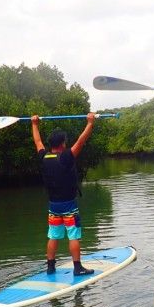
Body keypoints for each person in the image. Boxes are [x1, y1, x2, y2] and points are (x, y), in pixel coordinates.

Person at [31, 113, 96, 276]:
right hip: (69, 205)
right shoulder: (66, 156)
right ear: (62, 143)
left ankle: (50, 267)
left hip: (53, 206)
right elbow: (81, 141)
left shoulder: (44, 156)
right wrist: (90, 123)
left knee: (53, 236)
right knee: (73, 236)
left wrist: (34, 124)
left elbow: (37, 141)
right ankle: (77, 268)